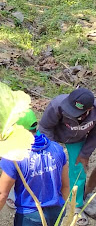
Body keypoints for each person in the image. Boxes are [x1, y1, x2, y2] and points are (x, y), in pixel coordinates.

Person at [0, 109, 69, 226]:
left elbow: (1, 194)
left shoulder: (15, 156)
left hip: (29, 217)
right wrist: (61, 209)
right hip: (57, 212)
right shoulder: (57, 149)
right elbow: (65, 186)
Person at [38, 87, 96, 216]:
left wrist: (85, 153)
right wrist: (50, 149)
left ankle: (75, 204)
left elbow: (94, 135)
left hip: (77, 139)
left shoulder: (95, 112)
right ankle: (43, 196)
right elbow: (45, 127)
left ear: (89, 109)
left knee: (79, 169)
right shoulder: (57, 104)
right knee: (44, 164)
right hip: (53, 135)